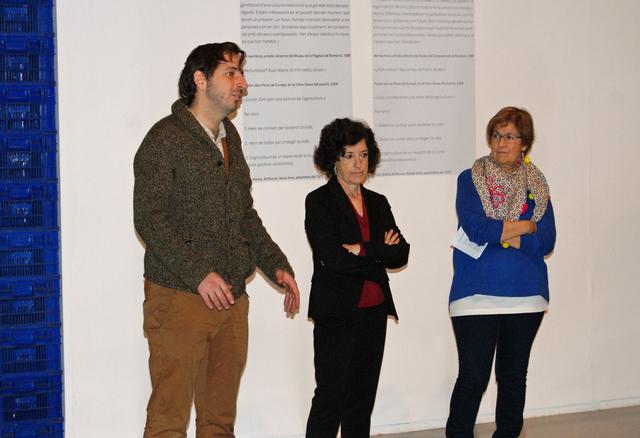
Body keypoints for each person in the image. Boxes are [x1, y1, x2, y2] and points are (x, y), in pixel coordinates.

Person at [133, 42, 300, 438]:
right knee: (168, 422)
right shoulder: (164, 138)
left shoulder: (230, 139)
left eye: (242, 74)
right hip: (179, 299)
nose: (242, 83)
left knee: (219, 423)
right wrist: (199, 274)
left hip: (232, 300)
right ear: (200, 79)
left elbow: (244, 214)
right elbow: (149, 220)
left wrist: (277, 265)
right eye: (231, 73)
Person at [446, 107, 556, 437]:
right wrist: (525, 226)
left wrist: (504, 234)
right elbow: (476, 228)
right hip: (475, 294)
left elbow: (547, 240)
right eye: (496, 135)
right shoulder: (471, 178)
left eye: (509, 136)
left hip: (526, 295)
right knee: (473, 377)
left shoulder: (537, 184)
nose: (501, 142)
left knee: (512, 378)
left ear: (525, 143)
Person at [304, 118, 410, 437]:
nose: (358, 163)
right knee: (330, 398)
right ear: (333, 159)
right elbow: (332, 258)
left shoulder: (378, 203)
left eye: (363, 155)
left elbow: (400, 253)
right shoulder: (319, 202)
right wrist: (378, 253)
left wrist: (361, 250)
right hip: (336, 312)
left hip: (374, 312)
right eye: (349, 155)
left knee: (361, 402)